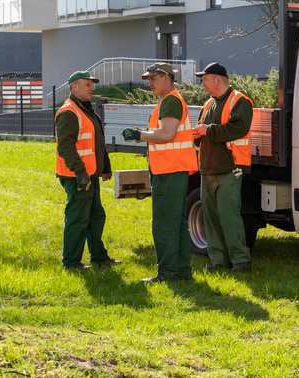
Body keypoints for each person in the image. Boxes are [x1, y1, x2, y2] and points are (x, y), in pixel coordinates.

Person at [122, 63, 198, 283]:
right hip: (174, 170)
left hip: (168, 171)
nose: (150, 83)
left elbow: (166, 134)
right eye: (148, 79)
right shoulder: (172, 100)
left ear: (167, 77)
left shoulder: (171, 101)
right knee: (178, 223)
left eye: (153, 78)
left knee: (164, 224)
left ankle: (167, 274)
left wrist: (139, 135)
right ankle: (182, 272)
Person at [192, 62, 254, 273]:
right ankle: (219, 261)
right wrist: (196, 135)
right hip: (208, 168)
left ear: (219, 80)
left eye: (205, 79)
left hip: (230, 168)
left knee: (229, 217)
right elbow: (204, 133)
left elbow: (238, 128)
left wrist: (206, 130)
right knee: (211, 218)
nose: (203, 84)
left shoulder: (240, 101)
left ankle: (241, 261)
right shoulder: (208, 103)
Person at [54, 70, 119, 270]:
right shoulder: (69, 112)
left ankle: (98, 257)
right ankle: (71, 262)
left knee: (96, 216)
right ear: (74, 86)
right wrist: (81, 172)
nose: (92, 88)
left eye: (92, 84)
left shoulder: (86, 109)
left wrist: (104, 167)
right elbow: (65, 147)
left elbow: (97, 141)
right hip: (77, 176)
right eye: (87, 84)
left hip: (90, 175)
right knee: (78, 218)